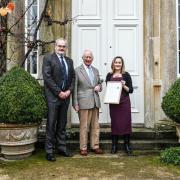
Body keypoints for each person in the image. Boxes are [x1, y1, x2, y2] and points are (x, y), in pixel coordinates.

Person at [42, 38, 75, 161]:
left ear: (66, 48)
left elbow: (72, 78)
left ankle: (61, 148)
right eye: (59, 46)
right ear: (55, 46)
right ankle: (49, 151)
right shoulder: (48, 59)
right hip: (53, 98)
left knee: (62, 124)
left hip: (65, 97)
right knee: (51, 124)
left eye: (64, 46)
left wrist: (68, 91)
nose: (62, 48)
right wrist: (59, 92)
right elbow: (47, 78)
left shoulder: (69, 61)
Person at [73, 50, 103, 156]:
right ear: (83, 58)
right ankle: (83, 147)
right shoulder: (77, 71)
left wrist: (100, 87)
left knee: (95, 125)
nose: (88, 59)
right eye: (86, 57)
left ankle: (95, 146)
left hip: (95, 101)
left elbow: (99, 84)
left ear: (92, 59)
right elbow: (75, 88)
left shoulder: (95, 70)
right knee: (84, 126)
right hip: (83, 102)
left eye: (90, 57)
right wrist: (75, 103)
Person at [105, 56, 133, 155]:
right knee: (115, 123)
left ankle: (126, 145)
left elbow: (131, 90)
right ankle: (114, 145)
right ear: (113, 64)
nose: (117, 64)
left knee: (126, 122)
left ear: (122, 64)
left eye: (119, 62)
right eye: (116, 62)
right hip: (114, 103)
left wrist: (124, 85)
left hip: (124, 102)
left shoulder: (126, 75)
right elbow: (108, 89)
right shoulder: (109, 75)